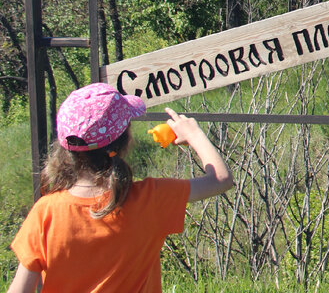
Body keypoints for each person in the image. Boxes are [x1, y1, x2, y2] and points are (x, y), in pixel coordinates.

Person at [6, 83, 233, 293]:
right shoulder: (151, 199)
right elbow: (221, 179)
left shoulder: (46, 213)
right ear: (124, 142)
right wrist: (193, 134)